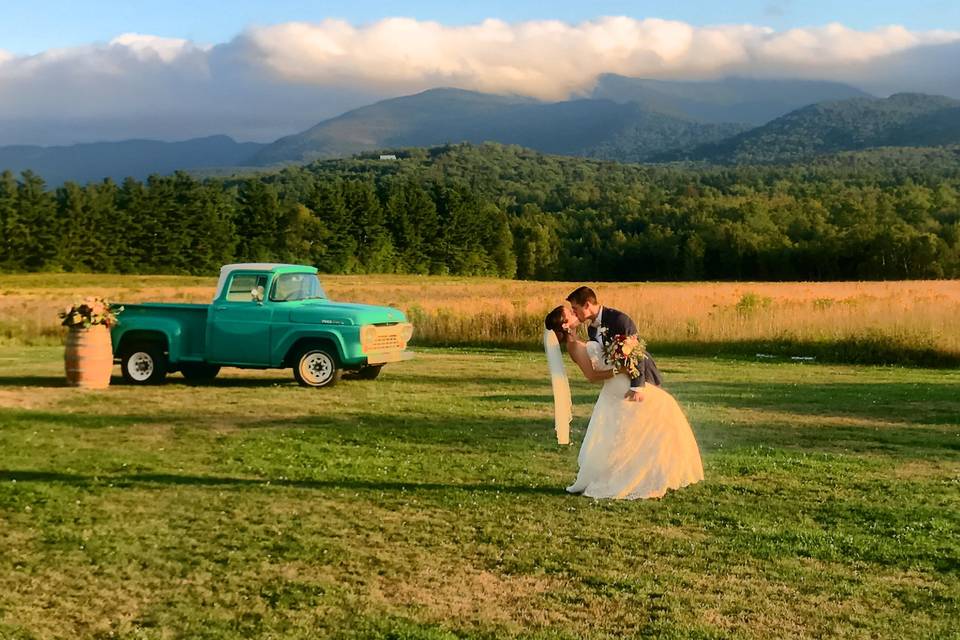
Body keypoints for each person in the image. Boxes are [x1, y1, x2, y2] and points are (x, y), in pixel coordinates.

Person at [543, 304, 704, 500]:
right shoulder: (574, 346)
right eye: (569, 313)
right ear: (566, 325)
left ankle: (654, 473)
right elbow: (592, 375)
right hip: (617, 387)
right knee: (663, 409)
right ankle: (640, 476)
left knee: (637, 429)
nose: (573, 312)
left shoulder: (584, 337)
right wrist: (618, 369)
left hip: (620, 384)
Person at [566, 286, 661, 401]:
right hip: (619, 382)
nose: (574, 313)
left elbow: (637, 352)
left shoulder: (618, 319)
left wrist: (636, 387)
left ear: (587, 305)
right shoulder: (592, 329)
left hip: (642, 377)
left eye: (575, 308)